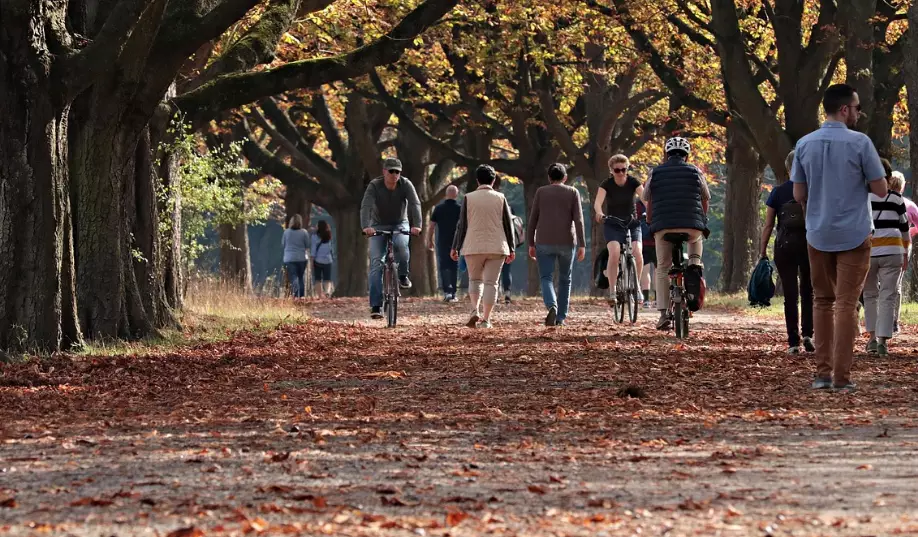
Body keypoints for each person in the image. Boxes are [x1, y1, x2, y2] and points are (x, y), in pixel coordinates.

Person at [792, 83, 888, 391]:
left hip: (818, 232)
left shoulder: (804, 144)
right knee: (847, 303)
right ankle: (843, 378)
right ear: (845, 109)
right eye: (857, 108)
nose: (859, 113)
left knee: (822, 300)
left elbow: (798, 193)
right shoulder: (861, 144)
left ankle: (822, 374)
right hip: (854, 232)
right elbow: (881, 189)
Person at [642, 137, 710, 330]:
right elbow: (706, 198)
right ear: (686, 155)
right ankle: (694, 267)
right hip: (692, 226)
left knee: (663, 267)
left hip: (664, 226)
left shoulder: (655, 173)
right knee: (695, 247)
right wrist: (702, 219)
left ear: (666, 154)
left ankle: (663, 314)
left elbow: (647, 197)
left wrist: (650, 221)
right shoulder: (696, 171)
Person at [760, 150, 814, 355]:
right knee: (808, 291)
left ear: (788, 167)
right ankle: (808, 333)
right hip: (809, 245)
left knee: (790, 294)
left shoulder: (777, 192)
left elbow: (768, 225)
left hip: (785, 247)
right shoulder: (811, 190)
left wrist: (762, 251)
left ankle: (793, 341)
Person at [451, 165, 516, 328]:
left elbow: (462, 225)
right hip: (497, 246)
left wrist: (455, 247)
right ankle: (486, 319)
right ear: (493, 180)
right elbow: (509, 225)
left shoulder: (468, 198)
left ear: (477, 180)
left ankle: (475, 310)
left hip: (473, 245)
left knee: (475, 279)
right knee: (491, 283)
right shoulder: (501, 198)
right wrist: (512, 247)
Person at [361, 157, 422, 319]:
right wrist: (366, 226)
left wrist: (417, 225)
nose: (394, 174)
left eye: (397, 172)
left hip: (400, 223)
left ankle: (402, 275)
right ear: (384, 172)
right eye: (391, 171)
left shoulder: (406, 184)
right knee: (376, 264)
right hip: (378, 225)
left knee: (402, 247)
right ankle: (376, 306)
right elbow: (366, 206)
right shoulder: (374, 185)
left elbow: (415, 204)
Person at [526, 163, 586, 326]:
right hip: (567, 241)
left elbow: (533, 220)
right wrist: (582, 244)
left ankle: (551, 305)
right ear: (565, 177)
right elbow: (579, 220)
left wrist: (531, 243)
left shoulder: (541, 192)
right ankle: (561, 317)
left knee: (546, 277)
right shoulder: (573, 192)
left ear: (549, 178)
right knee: (565, 279)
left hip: (544, 241)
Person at [863, 159, 910, 356]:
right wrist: (905, 253)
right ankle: (883, 341)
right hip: (893, 250)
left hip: (868, 252)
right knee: (888, 295)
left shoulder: (863, 198)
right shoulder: (897, 199)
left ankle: (872, 338)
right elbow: (905, 229)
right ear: (889, 177)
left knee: (869, 295)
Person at [594, 155, 644, 307]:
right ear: (611, 170)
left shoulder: (633, 182)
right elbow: (598, 203)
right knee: (614, 251)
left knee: (638, 252)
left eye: (624, 169)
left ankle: (637, 287)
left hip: (632, 222)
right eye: (617, 170)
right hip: (613, 223)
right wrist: (599, 213)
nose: (621, 173)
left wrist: (650, 211)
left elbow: (645, 198)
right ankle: (613, 290)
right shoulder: (606, 184)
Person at [428, 185, 462, 302]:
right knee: (454, 266)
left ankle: (447, 291)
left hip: (442, 241)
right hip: (456, 242)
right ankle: (453, 293)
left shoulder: (438, 208)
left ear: (446, 194)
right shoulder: (460, 209)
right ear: (456, 195)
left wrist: (429, 239)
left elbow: (431, 226)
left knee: (444, 266)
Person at [894, 171, 917, 334]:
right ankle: (895, 320)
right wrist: (911, 232)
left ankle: (881, 320)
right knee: (897, 284)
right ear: (902, 186)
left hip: (879, 245)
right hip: (903, 245)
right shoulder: (909, 205)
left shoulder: (879, 202)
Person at [282, 214, 310, 299]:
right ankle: (301, 295)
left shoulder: (286, 232)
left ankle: (296, 294)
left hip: (289, 258)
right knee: (300, 277)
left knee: (293, 277)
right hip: (301, 258)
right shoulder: (304, 232)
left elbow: (283, 244)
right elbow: (307, 245)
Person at [636, 199, 656, 308]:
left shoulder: (639, 202)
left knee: (645, 271)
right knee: (659, 271)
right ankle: (658, 299)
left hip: (644, 240)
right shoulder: (659, 197)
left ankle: (646, 300)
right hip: (658, 239)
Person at [311, 220, 334, 299]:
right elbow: (331, 248)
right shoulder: (329, 235)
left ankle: (320, 295)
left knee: (318, 279)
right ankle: (327, 292)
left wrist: (311, 261)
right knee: (327, 278)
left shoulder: (314, 237)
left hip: (318, 260)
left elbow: (313, 250)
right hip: (328, 260)